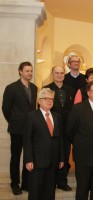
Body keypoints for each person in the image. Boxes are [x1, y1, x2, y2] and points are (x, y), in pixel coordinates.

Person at [2, 61, 38, 195]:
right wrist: (13, 121)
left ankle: (25, 183)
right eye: (27, 71)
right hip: (17, 128)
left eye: (31, 71)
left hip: (30, 128)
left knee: (28, 157)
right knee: (16, 157)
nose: (29, 73)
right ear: (20, 71)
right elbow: (6, 108)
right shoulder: (11, 87)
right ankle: (14, 183)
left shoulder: (34, 88)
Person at [23, 88, 64, 200]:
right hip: (37, 161)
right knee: (35, 192)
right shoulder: (31, 116)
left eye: (51, 99)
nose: (49, 101)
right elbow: (27, 140)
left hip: (53, 160)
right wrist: (28, 160)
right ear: (39, 100)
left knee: (50, 191)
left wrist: (61, 158)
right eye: (46, 98)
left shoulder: (57, 116)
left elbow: (60, 139)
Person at [43, 66, 75, 191]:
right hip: (51, 129)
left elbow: (74, 111)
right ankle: (51, 181)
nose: (59, 75)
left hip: (67, 130)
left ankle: (62, 181)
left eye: (62, 73)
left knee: (65, 155)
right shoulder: (46, 89)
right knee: (51, 155)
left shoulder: (71, 90)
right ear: (52, 74)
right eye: (57, 73)